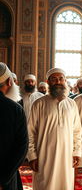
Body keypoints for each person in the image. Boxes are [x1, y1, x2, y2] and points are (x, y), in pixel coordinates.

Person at [27, 68, 82, 190]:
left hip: (66, 157)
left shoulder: (71, 104)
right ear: (48, 81)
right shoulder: (39, 104)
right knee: (45, 185)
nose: (58, 82)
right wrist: (32, 156)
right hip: (45, 156)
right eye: (54, 79)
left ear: (65, 81)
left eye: (61, 78)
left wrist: (77, 152)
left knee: (65, 185)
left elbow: (77, 131)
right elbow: (30, 132)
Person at [0, 62, 28, 190]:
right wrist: (4, 178)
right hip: (6, 177)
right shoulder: (15, 109)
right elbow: (21, 148)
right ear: (10, 82)